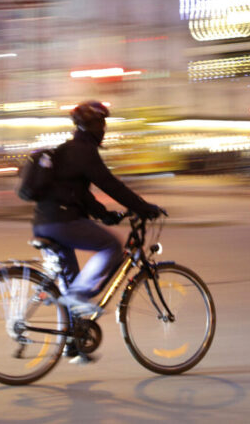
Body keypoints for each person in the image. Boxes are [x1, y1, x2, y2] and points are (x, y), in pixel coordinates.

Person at [32, 100, 163, 317]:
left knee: (71, 285)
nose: (104, 129)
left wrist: (105, 215)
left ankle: (72, 342)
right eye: (102, 124)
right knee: (111, 245)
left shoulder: (67, 150)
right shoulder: (84, 151)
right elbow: (110, 185)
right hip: (62, 222)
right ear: (93, 126)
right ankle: (78, 296)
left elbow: (80, 193)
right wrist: (143, 207)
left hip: (44, 222)